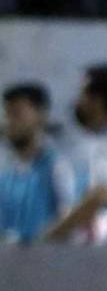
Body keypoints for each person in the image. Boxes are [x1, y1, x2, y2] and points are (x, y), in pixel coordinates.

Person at [45, 64, 107, 245]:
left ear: (97, 101)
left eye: (83, 94)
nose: (77, 101)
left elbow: (100, 195)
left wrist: (48, 238)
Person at [0, 82, 76, 244]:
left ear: (41, 115)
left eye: (17, 114)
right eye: (6, 114)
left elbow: (70, 218)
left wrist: (38, 243)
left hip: (44, 262)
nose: (9, 122)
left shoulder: (58, 167)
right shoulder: (5, 170)